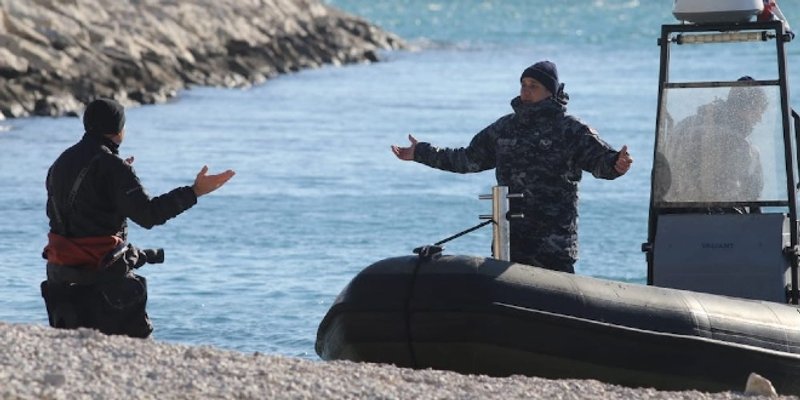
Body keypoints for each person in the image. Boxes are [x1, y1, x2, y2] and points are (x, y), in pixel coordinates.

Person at [391, 60, 633, 273]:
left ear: (550, 92)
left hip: (553, 243)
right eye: (523, 84)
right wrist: (421, 152)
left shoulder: (569, 129)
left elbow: (600, 160)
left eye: (533, 86)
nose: (526, 91)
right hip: (510, 239)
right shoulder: (504, 127)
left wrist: (616, 164)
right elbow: (467, 159)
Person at [40, 98, 236, 338]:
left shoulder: (61, 162)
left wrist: (117, 179)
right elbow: (149, 215)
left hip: (59, 276)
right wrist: (195, 191)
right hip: (100, 278)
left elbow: (74, 210)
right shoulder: (113, 167)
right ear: (118, 129)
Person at [661, 76, 767, 213]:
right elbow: (749, 196)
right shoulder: (740, 145)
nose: (759, 118)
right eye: (757, 111)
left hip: (671, 217)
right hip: (713, 223)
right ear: (743, 108)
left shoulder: (684, 126)